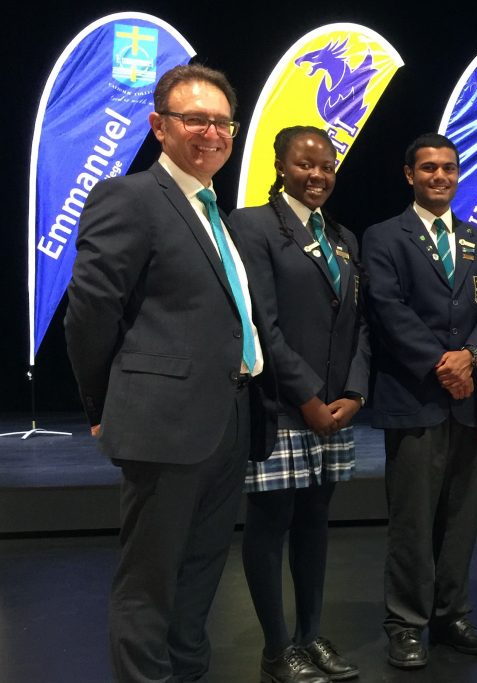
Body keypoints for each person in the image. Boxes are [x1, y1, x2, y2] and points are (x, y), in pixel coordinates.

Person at [65, 64, 276, 682]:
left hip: (227, 419)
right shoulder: (129, 197)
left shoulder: (215, 212)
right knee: (150, 581)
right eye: (195, 119)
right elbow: (90, 313)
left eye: (221, 122)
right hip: (163, 424)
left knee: (203, 569)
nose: (211, 132)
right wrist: (104, 405)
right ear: (160, 126)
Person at [362, 132, 477, 669]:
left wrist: (469, 356)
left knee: (462, 516)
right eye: (428, 168)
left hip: (469, 401)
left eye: (448, 168)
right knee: (413, 520)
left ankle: (452, 615)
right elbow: (386, 307)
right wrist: (441, 363)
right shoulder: (384, 237)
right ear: (409, 175)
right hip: (414, 397)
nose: (439, 177)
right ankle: (406, 623)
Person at [231, 126, 369, 682]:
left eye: (326, 165)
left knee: (315, 522)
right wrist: (308, 396)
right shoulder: (253, 226)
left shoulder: (342, 236)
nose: (317, 175)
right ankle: (276, 649)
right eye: (304, 164)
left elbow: (360, 325)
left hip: (335, 410)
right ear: (280, 165)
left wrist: (355, 392)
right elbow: (261, 324)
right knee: (271, 524)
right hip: (284, 407)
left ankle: (311, 638)